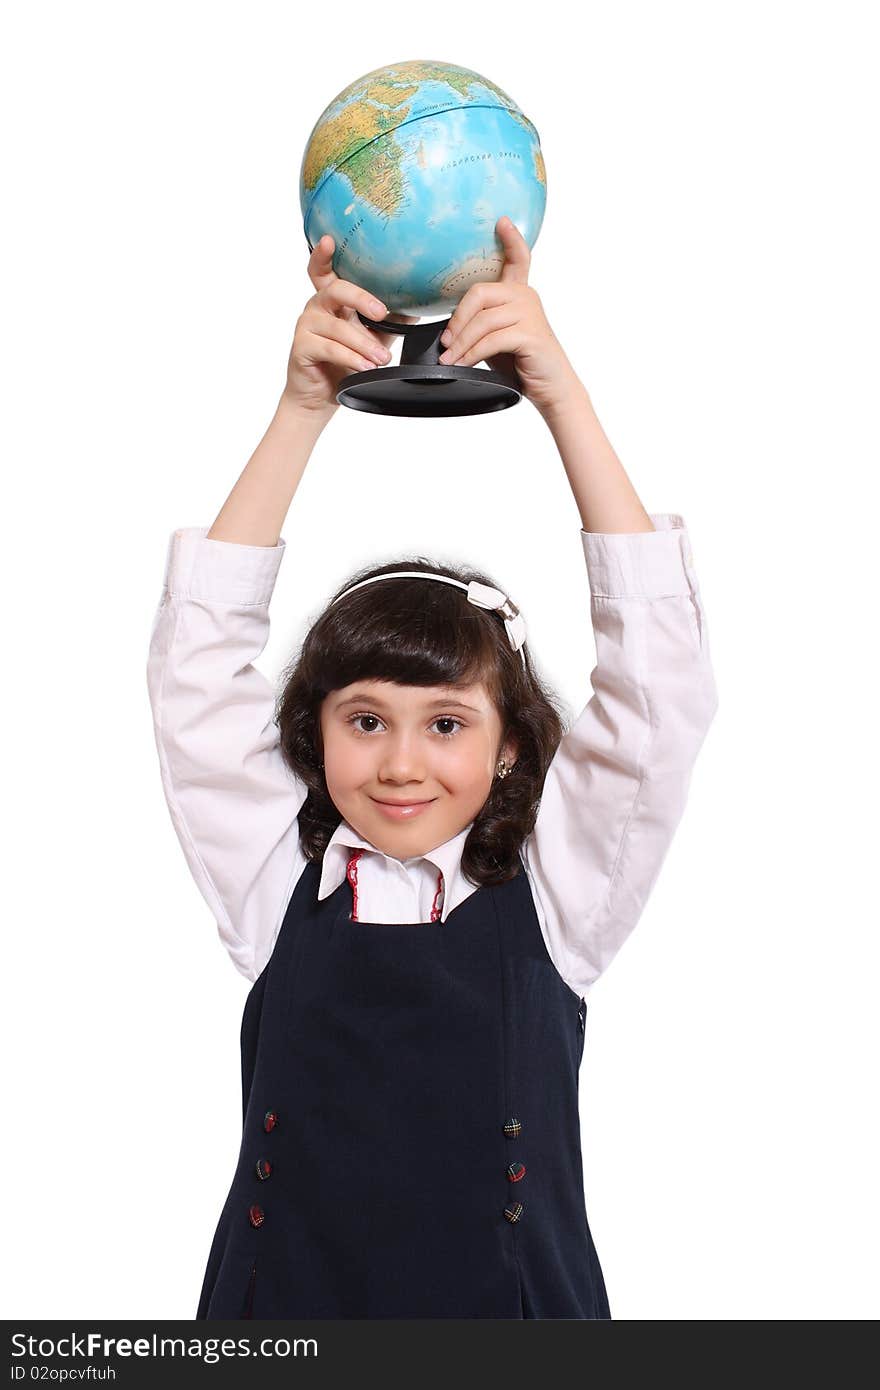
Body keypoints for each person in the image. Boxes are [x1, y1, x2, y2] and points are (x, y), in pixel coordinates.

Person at [146, 216, 719, 1319]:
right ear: (311, 733)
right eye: (364, 719)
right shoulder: (274, 885)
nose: (401, 763)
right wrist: (303, 407)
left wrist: (560, 396)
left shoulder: (559, 899)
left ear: (510, 745)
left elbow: (660, 691)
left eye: (447, 724)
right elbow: (193, 670)